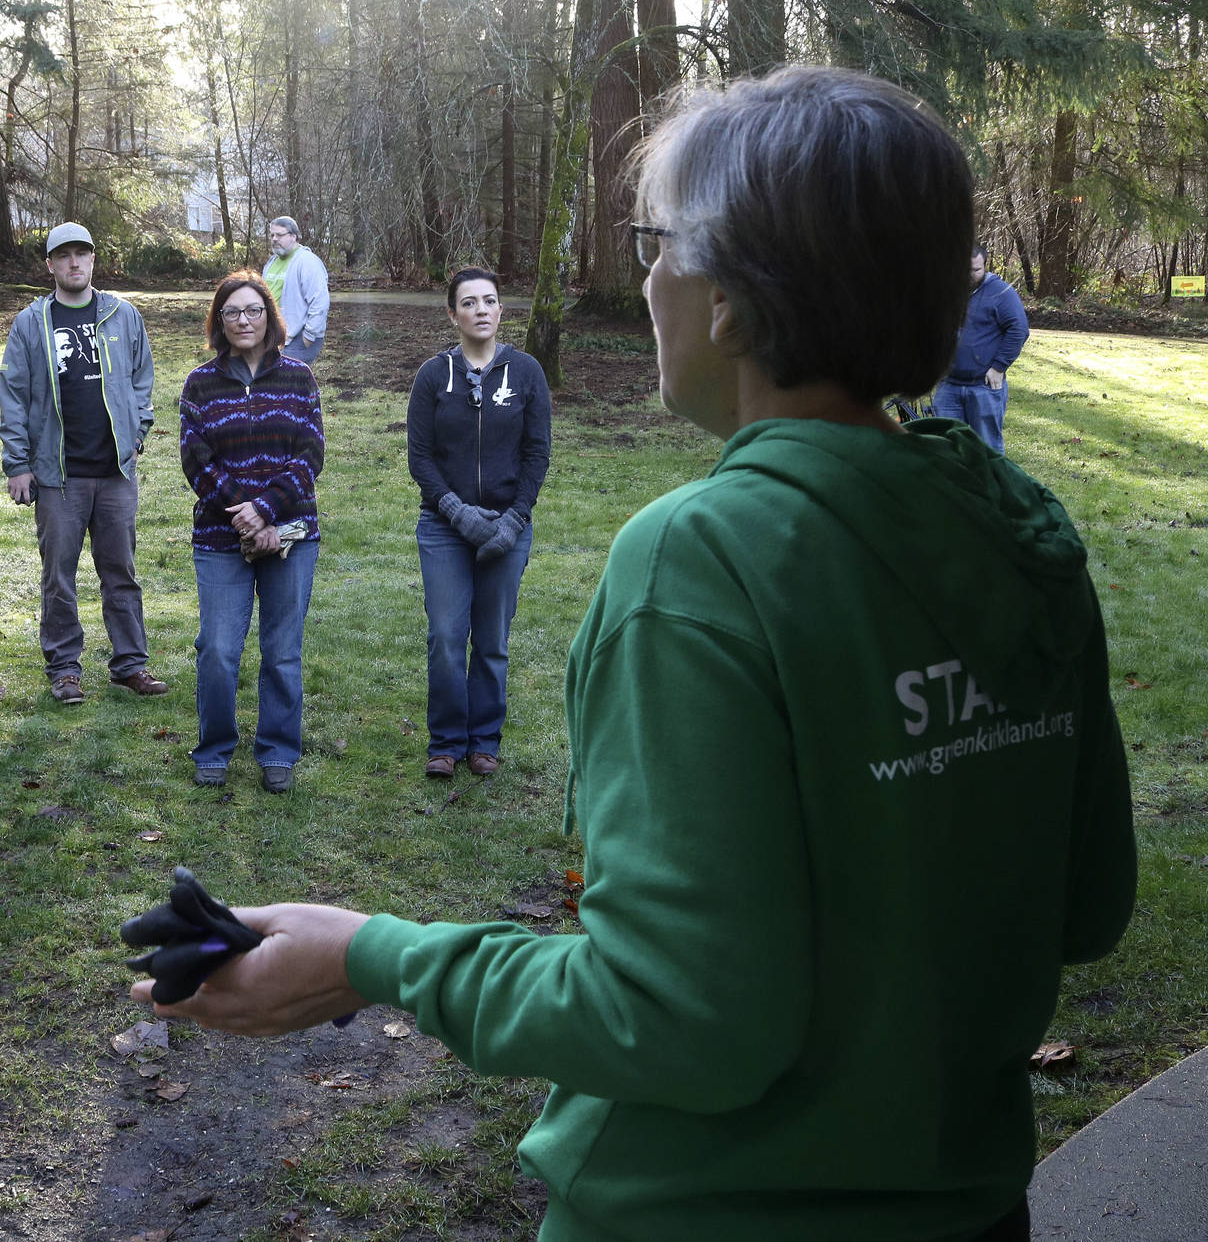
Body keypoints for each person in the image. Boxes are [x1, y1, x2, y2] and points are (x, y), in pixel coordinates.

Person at [135, 67, 1135, 1242]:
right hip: (967, 1205)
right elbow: (1084, 904)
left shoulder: (702, 561)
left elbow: (673, 1020)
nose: (645, 278)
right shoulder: (1019, 531)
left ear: (727, 300)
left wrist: (374, 956)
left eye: (655, 247)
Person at [0, 222, 168, 704]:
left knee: (121, 571)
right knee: (59, 576)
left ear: (94, 260)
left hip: (115, 473)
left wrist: (138, 432)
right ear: (50, 265)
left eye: (82, 254)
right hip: (58, 476)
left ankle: (131, 663)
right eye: (64, 255)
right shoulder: (32, 323)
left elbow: (142, 378)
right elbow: (12, 395)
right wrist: (18, 464)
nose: (74, 263)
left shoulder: (122, 314)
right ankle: (65, 669)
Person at [178, 272, 324, 794]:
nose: (244, 320)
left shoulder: (300, 378)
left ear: (270, 317)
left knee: (282, 651)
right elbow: (196, 459)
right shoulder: (200, 383)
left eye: (254, 310)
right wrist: (241, 514)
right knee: (217, 649)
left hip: (292, 535)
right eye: (232, 312)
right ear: (219, 321)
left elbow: (311, 455)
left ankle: (278, 750)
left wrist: (266, 511)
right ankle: (214, 748)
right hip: (220, 538)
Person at [405, 269, 551, 779]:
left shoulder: (528, 371)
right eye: (469, 303)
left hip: (508, 528)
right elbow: (420, 458)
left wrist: (513, 520)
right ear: (453, 314)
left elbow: (537, 454)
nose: (481, 310)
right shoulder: (433, 375)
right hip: (445, 526)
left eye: (490, 300)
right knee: (446, 635)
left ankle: (484, 740)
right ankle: (445, 742)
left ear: (500, 310)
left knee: (492, 639)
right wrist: (457, 512)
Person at [931, 244, 1029, 452]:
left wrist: (999, 367)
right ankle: (953, 485)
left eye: (975, 270)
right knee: (945, 448)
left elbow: (1019, 329)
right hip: (949, 386)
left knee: (987, 451)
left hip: (983, 387)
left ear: (985, 266)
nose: (969, 275)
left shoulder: (1001, 293)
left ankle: (990, 485)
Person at [264, 217, 330, 366]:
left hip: (299, 337)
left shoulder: (307, 262)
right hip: (275, 337)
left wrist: (308, 336)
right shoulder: (271, 262)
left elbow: (320, 301)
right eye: (272, 235)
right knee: (275, 383)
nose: (274, 239)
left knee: (286, 381)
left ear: (293, 236)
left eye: (279, 235)